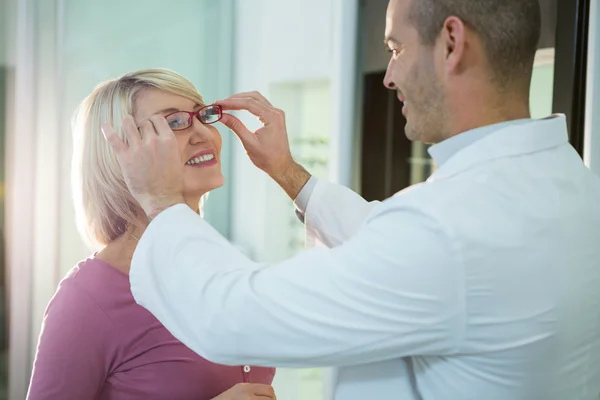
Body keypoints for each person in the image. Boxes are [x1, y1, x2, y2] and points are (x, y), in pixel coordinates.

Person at [104, 0, 600, 399]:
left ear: (451, 43)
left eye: (396, 48)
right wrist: (289, 175)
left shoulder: (449, 230)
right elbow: (390, 240)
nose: (388, 76)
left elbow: (229, 315)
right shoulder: (568, 183)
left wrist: (161, 199)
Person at [27, 69, 277, 400]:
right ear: (120, 156)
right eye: (173, 123)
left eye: (203, 116)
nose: (204, 134)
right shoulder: (87, 299)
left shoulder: (226, 267)